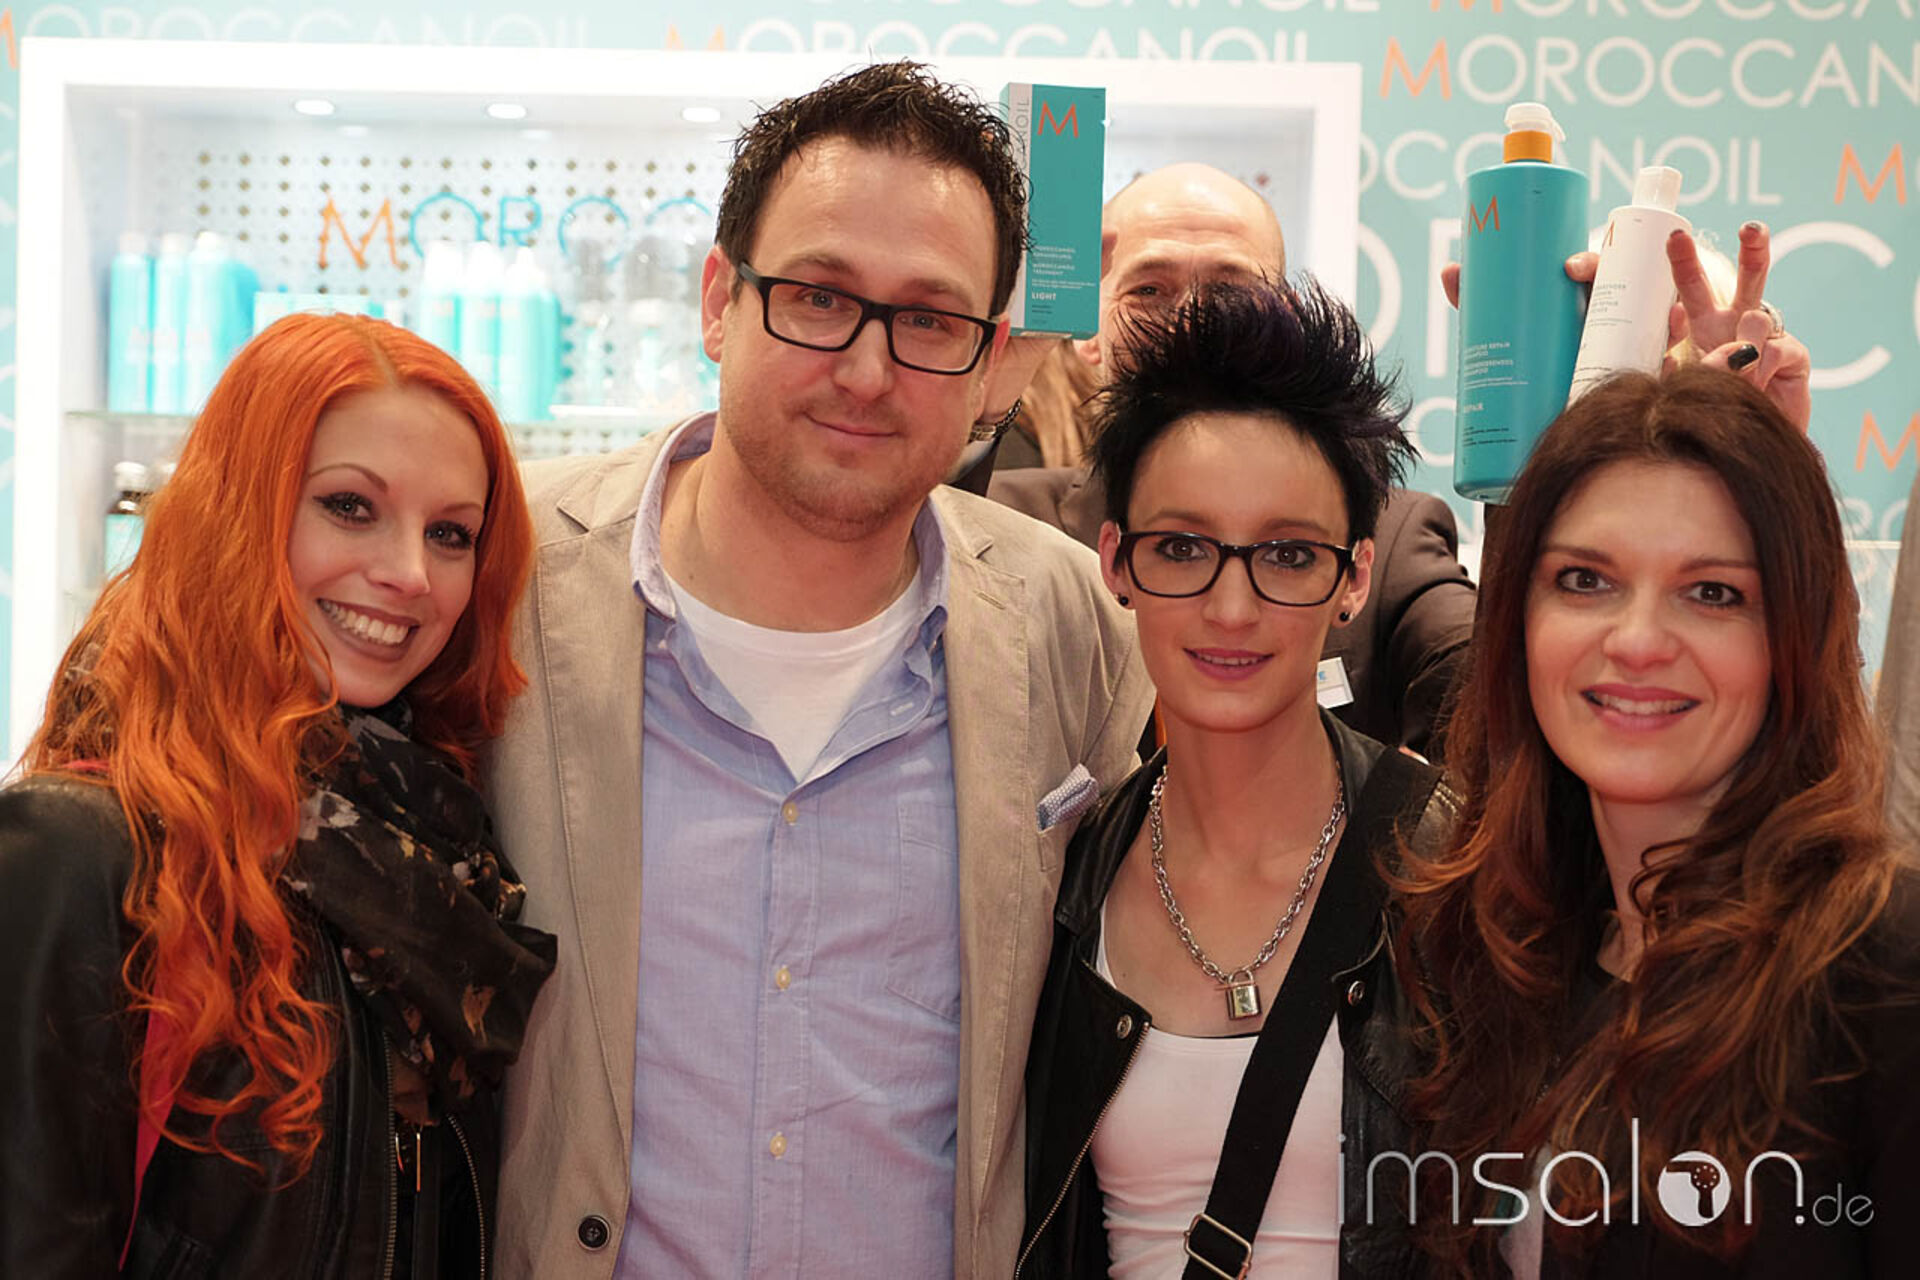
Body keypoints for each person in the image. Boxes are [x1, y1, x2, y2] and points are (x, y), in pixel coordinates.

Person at [482, 63, 1155, 1278]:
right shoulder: (508, 578)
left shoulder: (1067, 621)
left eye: (930, 320)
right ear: (718, 302)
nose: (866, 369)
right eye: (818, 297)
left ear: (991, 360)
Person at [0, 313, 556, 1277]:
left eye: (450, 533)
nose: (409, 575)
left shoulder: (438, 848)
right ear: (237, 513)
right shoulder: (81, 852)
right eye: (349, 506)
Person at [1396, 366, 1920, 1277]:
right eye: (1585, 580)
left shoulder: (1886, 965)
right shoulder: (1494, 952)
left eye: (1712, 592)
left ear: (1793, 636)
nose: (1637, 641)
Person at [1018, 278, 1459, 1278]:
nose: (1230, 607)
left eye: (1287, 555)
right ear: (1116, 562)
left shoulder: (1447, 868)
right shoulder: (1066, 883)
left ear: (1353, 578)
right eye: (1182, 548)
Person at [985, 162, 1477, 761]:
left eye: (1229, 292)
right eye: (1149, 291)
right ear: (1089, 328)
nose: (1191, 323)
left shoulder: (1388, 536)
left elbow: (1498, 707)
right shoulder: (1006, 519)